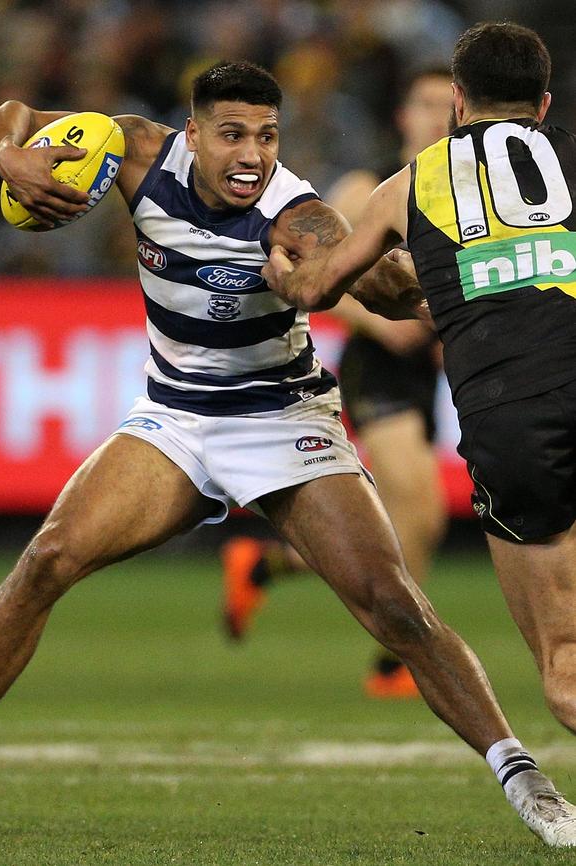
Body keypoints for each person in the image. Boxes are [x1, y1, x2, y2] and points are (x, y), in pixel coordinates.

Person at [0, 61, 572, 847]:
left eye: (267, 137)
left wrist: (403, 275)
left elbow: (378, 288)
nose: (253, 155)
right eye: (233, 134)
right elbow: (11, 113)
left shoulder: (293, 213)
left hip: (282, 417)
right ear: (191, 134)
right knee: (46, 559)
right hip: (174, 418)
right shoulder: (132, 150)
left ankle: (527, 782)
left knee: (395, 604)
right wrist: (8, 155)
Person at [264, 21, 576, 842]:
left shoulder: (408, 185)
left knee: (566, 671)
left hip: (518, 428)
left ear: (459, 104)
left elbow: (319, 287)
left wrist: (278, 264)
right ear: (544, 107)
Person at [222, 68, 453, 700]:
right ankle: (396, 663)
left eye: (447, 106)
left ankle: (268, 565)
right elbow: (315, 272)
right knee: (422, 507)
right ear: (403, 116)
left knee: (415, 523)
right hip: (378, 362)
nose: (437, 117)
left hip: (427, 366)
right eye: (425, 104)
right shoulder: (365, 189)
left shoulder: (460, 190)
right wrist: (383, 323)